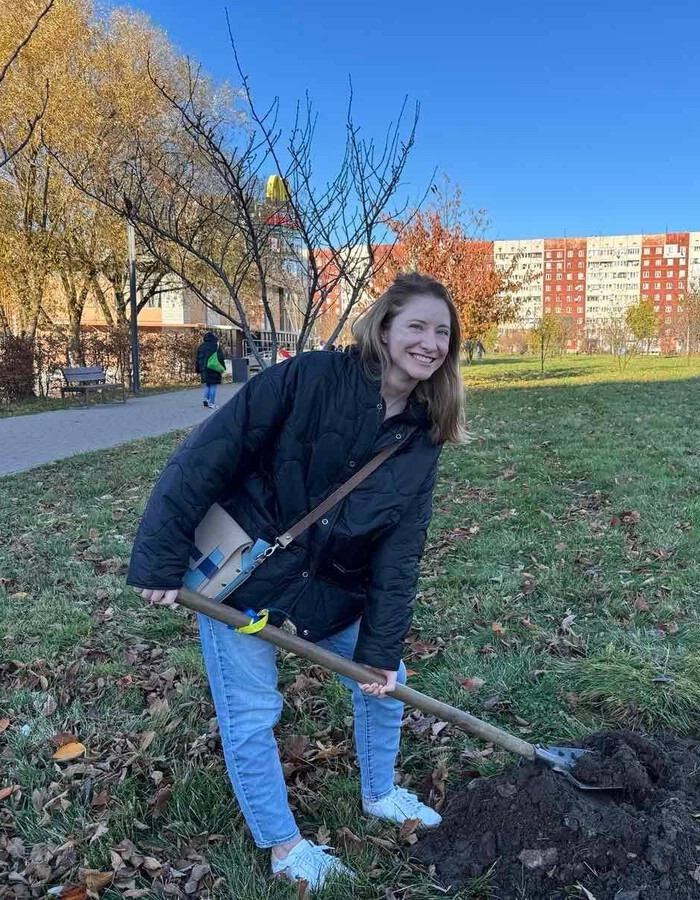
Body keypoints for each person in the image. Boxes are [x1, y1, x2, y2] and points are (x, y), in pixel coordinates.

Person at [128, 273, 467, 891]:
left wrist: (381, 650)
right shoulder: (310, 377)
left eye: (442, 332)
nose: (430, 342)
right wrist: (158, 558)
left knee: (386, 683)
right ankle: (285, 848)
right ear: (384, 327)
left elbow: (401, 550)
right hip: (244, 582)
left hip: (332, 591)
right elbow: (210, 454)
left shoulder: (422, 438)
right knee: (251, 714)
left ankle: (380, 792)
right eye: (417, 325)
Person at [195, 331, 223, 409]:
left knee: (208, 384)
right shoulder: (216, 346)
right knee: (213, 385)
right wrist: (222, 368)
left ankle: (206, 399)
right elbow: (220, 358)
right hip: (214, 368)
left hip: (204, 369)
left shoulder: (201, 347)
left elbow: (198, 359)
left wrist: (198, 369)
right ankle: (211, 402)